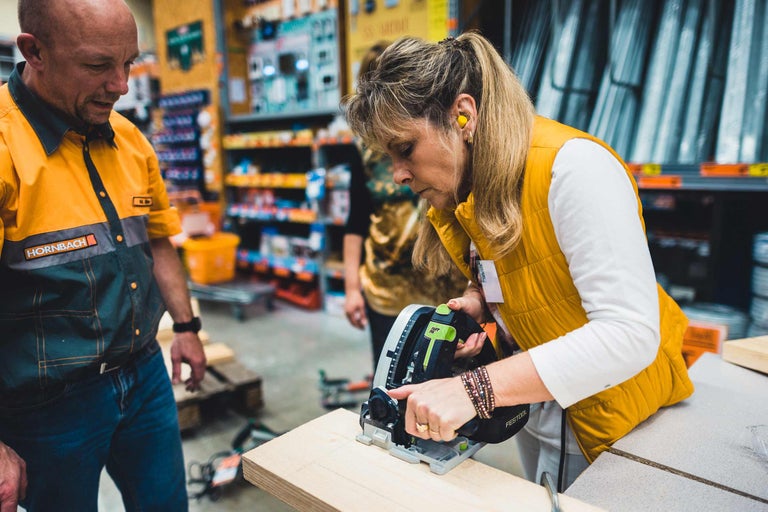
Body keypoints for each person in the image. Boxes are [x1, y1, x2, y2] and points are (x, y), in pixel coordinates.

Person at [343, 31, 694, 490]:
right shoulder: (472, 189)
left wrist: (478, 389)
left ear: (462, 115)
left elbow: (629, 333)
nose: (399, 174)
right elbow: (530, 271)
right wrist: (486, 307)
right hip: (540, 416)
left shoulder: (573, 170)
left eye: (405, 149)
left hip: (622, 425)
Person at [0, 0, 207, 510]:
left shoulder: (131, 141)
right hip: (48, 406)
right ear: (34, 51)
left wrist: (185, 328)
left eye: (129, 63)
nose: (122, 85)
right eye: (98, 66)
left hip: (144, 379)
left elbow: (158, 239)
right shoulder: (5, 147)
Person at [343, 42, 467, 371]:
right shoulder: (365, 153)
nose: (401, 175)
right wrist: (352, 288)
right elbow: (355, 221)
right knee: (391, 378)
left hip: (445, 284)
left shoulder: (448, 146)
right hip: (388, 287)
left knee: (444, 377)